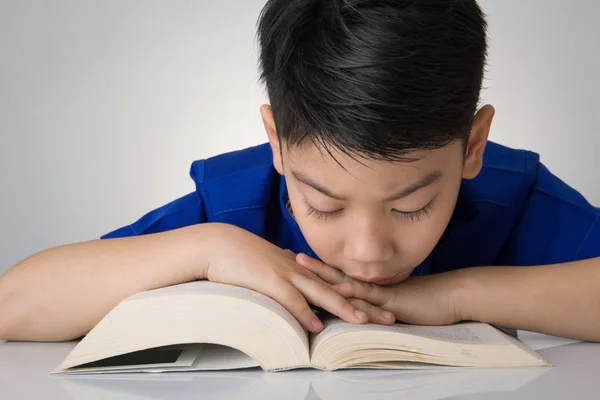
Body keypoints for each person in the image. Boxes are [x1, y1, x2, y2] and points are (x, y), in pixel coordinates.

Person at [1, 0, 599, 343]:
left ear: (472, 147)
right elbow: (13, 304)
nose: (366, 254)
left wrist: (455, 295)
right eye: (325, 206)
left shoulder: (508, 196)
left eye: (411, 205)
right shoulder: (236, 207)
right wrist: (206, 248)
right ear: (277, 145)